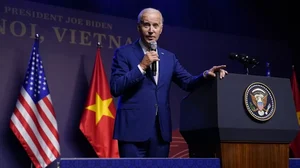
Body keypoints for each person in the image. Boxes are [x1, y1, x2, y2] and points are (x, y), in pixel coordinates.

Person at [109, 7, 228, 158]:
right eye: (146, 25)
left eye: (155, 25)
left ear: (161, 29)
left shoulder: (169, 57)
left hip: (160, 132)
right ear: (138, 27)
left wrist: (205, 75)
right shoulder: (123, 53)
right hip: (132, 130)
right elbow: (116, 87)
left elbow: (187, 82)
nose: (151, 30)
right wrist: (142, 66)